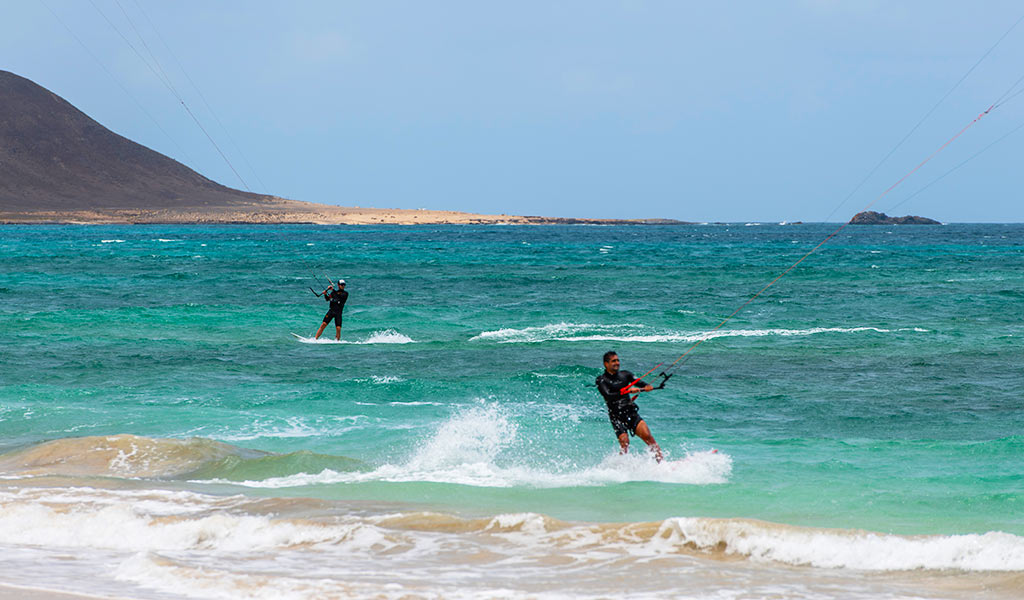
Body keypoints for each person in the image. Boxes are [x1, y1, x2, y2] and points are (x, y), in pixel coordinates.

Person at [595, 350, 663, 461]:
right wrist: (627, 391)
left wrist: (647, 386)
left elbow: (640, 383)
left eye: (617, 360)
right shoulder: (601, 379)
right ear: (606, 364)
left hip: (630, 412)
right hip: (616, 415)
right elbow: (608, 395)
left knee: (647, 436)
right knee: (624, 443)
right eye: (613, 361)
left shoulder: (626, 375)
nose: (617, 363)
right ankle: (621, 467)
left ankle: (662, 463)